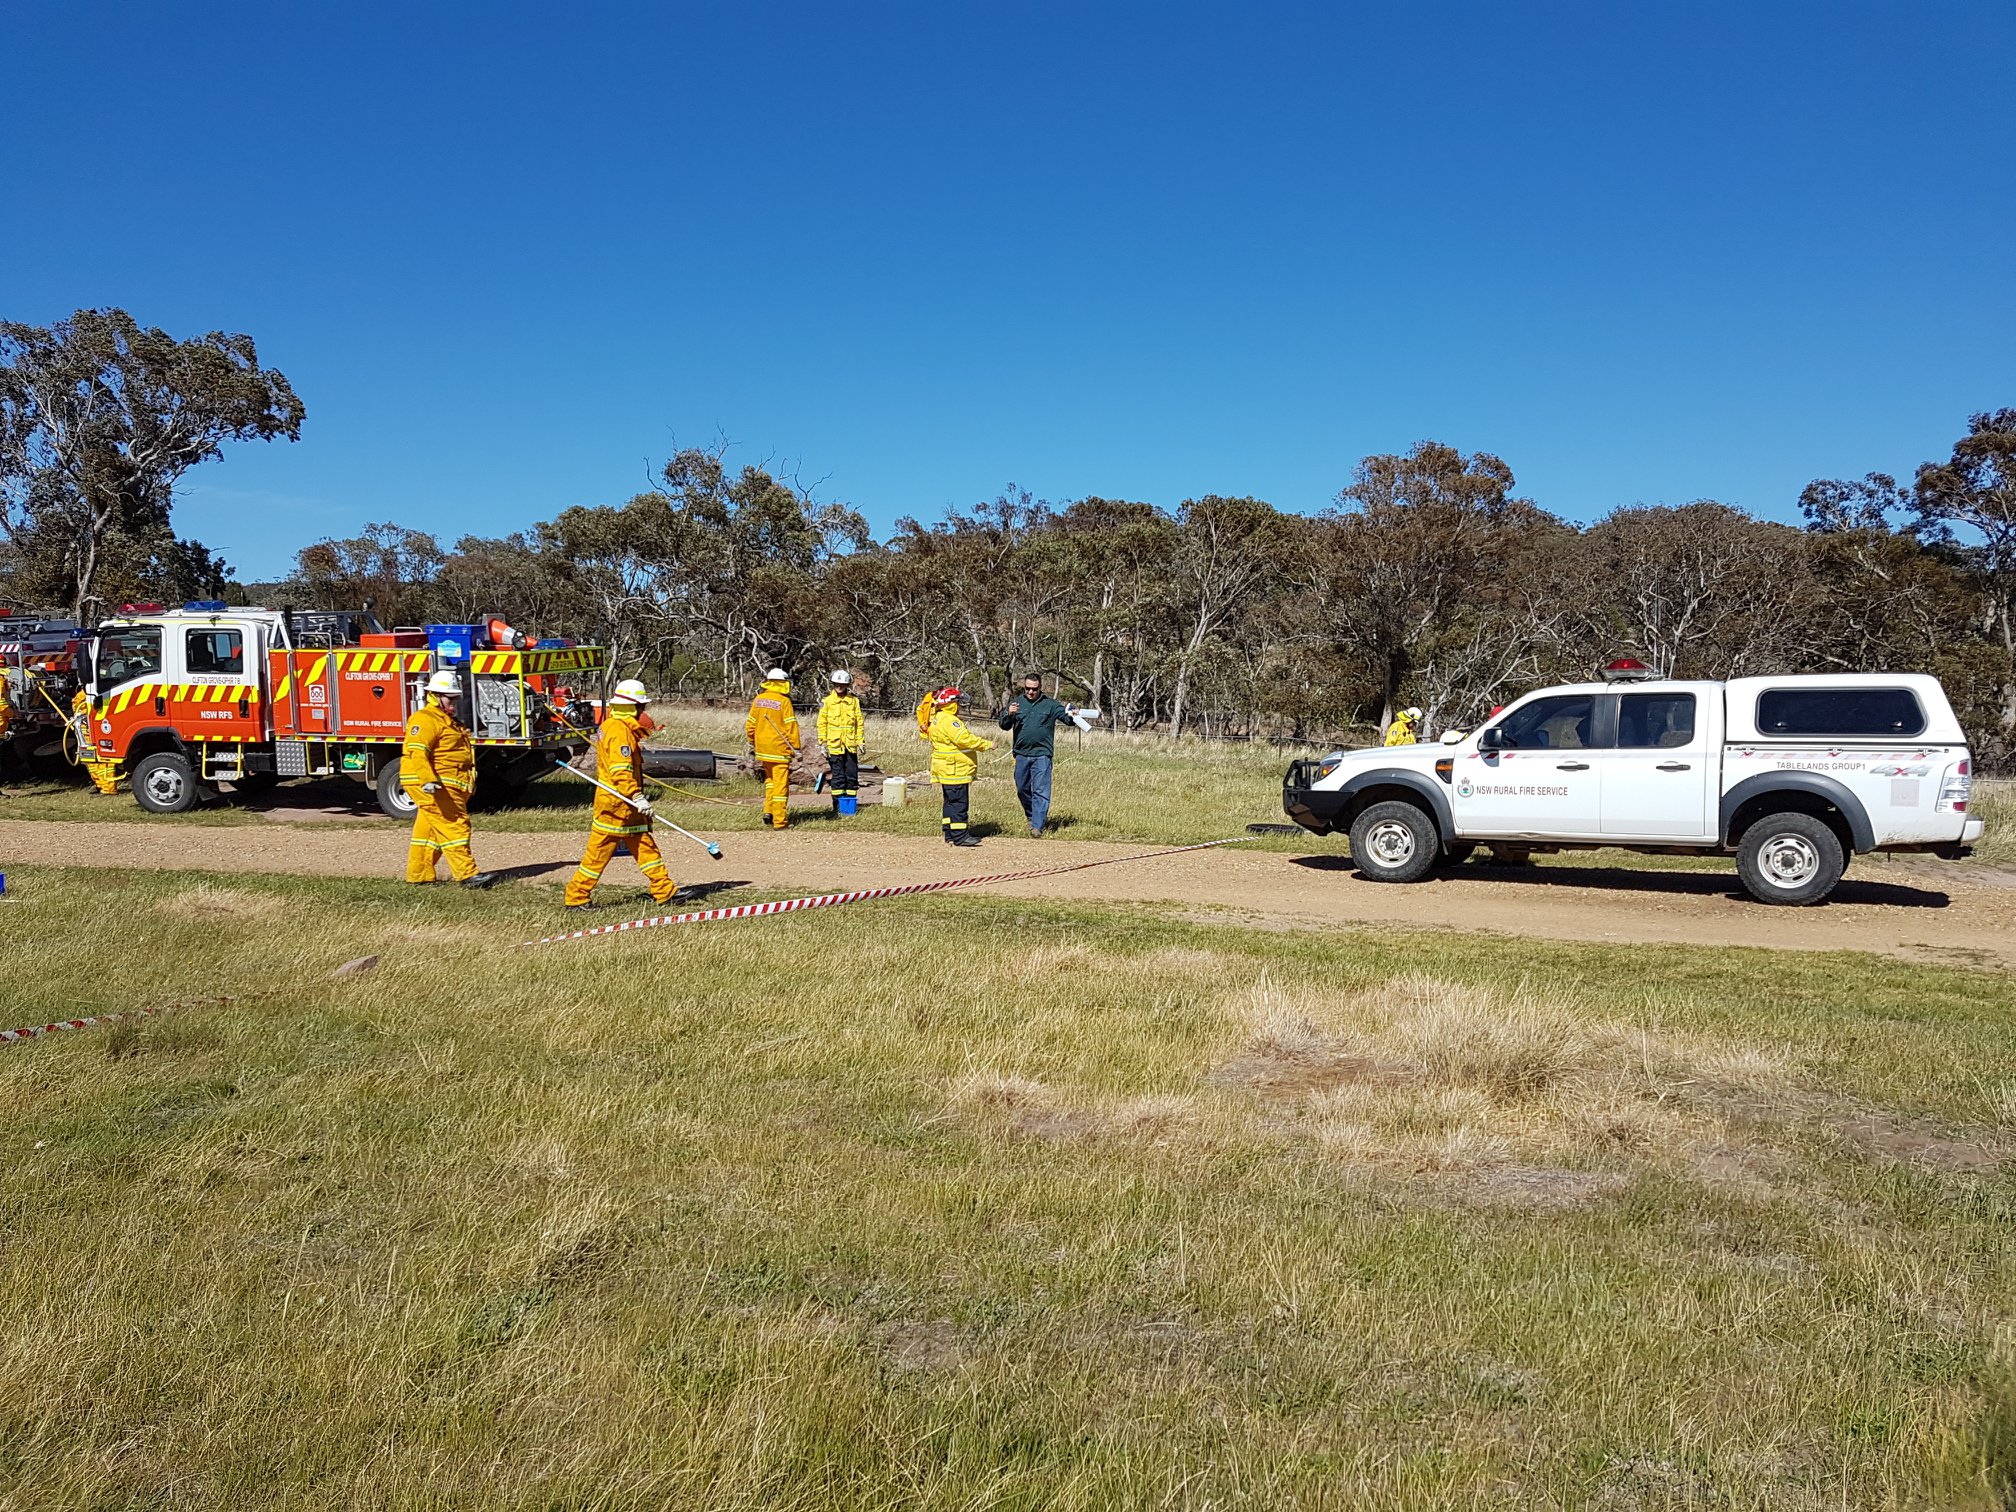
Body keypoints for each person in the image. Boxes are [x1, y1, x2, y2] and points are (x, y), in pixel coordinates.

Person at [564, 678, 675, 912]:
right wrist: (636, 796)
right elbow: (620, 769)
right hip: (615, 805)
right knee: (598, 854)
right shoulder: (618, 732)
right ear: (631, 707)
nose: (644, 711)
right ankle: (576, 896)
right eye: (641, 707)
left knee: (646, 847)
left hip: (625, 805)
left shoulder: (618, 727)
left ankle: (665, 892)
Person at [403, 669, 494, 888]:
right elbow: (417, 751)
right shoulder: (425, 719)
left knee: (429, 831)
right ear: (435, 696)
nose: (454, 703)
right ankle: (467, 875)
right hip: (434, 784)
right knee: (455, 825)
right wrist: (427, 780)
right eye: (449, 698)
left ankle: (420, 875)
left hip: (445, 783)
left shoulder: (447, 721)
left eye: (455, 698)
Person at [997, 672, 1077, 837]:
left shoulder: (1051, 705)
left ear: (1040, 687)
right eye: (1027, 688)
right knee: (1022, 788)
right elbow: (1004, 725)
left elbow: (1068, 720)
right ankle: (1031, 815)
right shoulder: (1016, 703)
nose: (1031, 692)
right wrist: (1008, 714)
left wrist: (1073, 714)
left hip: (1042, 754)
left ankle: (1037, 826)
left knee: (1041, 790)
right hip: (1021, 754)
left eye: (1034, 689)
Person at [927, 686, 993, 847]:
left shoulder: (936, 718)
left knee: (949, 802)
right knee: (959, 803)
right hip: (955, 769)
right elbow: (965, 739)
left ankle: (949, 833)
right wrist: (987, 744)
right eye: (957, 702)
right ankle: (960, 836)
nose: (959, 707)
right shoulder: (950, 721)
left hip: (945, 769)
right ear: (951, 704)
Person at [745, 666, 801, 829]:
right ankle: (780, 821)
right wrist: (796, 748)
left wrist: (752, 742)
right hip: (780, 750)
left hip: (763, 750)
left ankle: (768, 812)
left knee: (770, 782)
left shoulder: (759, 699)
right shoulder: (784, 701)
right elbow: (791, 727)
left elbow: (750, 725)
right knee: (780, 786)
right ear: (782, 683)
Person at [817, 669, 864, 813]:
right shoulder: (827, 702)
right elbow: (822, 723)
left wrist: (861, 741)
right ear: (833, 684)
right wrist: (822, 742)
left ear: (847, 685)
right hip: (834, 745)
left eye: (842, 684)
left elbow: (859, 722)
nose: (839, 687)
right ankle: (837, 806)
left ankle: (849, 807)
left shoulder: (854, 701)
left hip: (850, 745)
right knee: (838, 776)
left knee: (851, 775)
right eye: (837, 684)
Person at [71, 689, 121, 794]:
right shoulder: (83, 694)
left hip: (91, 728)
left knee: (101, 760)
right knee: (90, 759)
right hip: (84, 728)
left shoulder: (88, 693)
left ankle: (108, 789)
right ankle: (99, 785)